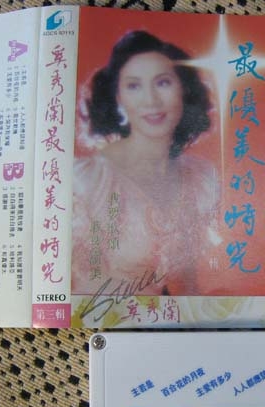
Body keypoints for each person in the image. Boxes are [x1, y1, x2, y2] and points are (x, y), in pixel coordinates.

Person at [72, 31, 221, 297]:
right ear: (118, 98)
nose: (151, 101)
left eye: (163, 83)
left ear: (183, 89)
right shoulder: (87, 181)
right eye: (133, 86)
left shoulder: (200, 177)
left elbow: (188, 285)